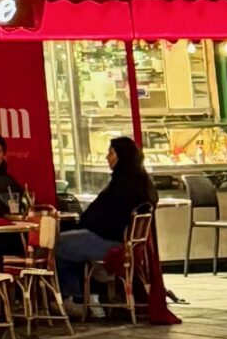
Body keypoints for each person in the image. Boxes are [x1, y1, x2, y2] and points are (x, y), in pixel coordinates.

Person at [56, 135, 156, 315]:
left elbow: (104, 219)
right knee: (70, 243)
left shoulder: (122, 186)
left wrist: (83, 222)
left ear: (121, 156)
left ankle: (74, 298)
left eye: (111, 153)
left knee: (55, 246)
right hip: (128, 245)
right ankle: (84, 295)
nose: (107, 158)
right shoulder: (141, 182)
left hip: (109, 242)